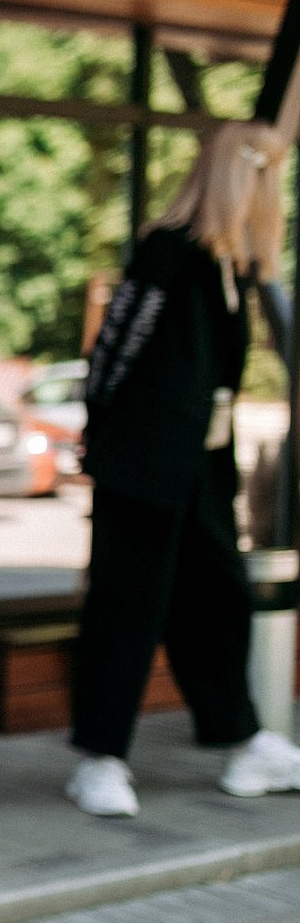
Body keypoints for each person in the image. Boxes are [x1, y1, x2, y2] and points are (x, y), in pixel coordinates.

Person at [71, 119, 298, 817]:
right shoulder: (168, 253)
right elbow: (115, 350)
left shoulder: (229, 268)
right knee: (127, 605)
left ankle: (242, 737)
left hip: (199, 467)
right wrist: (101, 436)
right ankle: (100, 758)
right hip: (142, 464)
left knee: (218, 597)